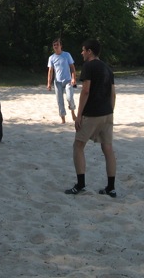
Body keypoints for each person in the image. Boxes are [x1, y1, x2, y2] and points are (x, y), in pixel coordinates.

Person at [65, 39, 117, 198]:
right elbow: (113, 94)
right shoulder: (107, 68)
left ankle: (80, 184)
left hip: (92, 114)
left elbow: (85, 91)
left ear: (89, 51)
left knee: (78, 146)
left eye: (83, 50)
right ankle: (111, 188)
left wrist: (79, 115)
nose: (81, 53)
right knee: (108, 149)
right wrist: (110, 111)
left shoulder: (89, 66)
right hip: (107, 113)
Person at [47, 38, 77, 124]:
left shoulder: (67, 55)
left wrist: (73, 78)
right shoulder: (51, 58)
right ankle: (63, 119)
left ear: (61, 46)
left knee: (69, 97)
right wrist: (49, 83)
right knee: (60, 101)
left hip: (68, 81)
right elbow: (50, 71)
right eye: (54, 45)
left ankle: (72, 112)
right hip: (58, 82)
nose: (56, 46)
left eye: (57, 44)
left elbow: (72, 67)